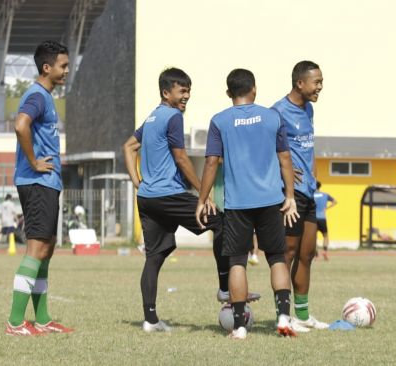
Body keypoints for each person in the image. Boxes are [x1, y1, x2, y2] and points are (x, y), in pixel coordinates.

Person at [122, 67, 259, 333]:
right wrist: (202, 194)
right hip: (167, 194)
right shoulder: (172, 116)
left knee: (155, 257)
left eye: (188, 91)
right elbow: (181, 158)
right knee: (221, 222)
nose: (186, 96)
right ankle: (223, 288)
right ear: (166, 92)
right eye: (181, 91)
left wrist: (137, 180)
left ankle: (150, 320)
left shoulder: (152, 117)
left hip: (148, 198)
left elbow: (128, 146)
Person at [196, 68, 300, 339]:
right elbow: (285, 159)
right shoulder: (272, 117)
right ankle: (284, 319)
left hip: (237, 203)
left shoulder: (219, 121)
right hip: (271, 200)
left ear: (229, 93)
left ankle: (240, 326)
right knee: (277, 257)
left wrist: (202, 198)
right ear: (254, 89)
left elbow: (210, 162)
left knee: (238, 262)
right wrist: (290, 196)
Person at [6, 40, 73, 336]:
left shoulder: (45, 96)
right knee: (36, 249)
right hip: (37, 182)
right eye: (63, 65)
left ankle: (42, 319)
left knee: (46, 249)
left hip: (47, 182)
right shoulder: (37, 95)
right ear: (47, 67)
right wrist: (33, 162)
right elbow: (21, 125)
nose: (67, 70)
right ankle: (15, 322)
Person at [272, 61, 329, 332]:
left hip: (309, 191)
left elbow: (310, 146)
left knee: (307, 253)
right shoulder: (277, 112)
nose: (320, 87)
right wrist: (280, 170)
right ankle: (283, 315)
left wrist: (314, 176)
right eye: (316, 82)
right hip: (289, 194)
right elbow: (263, 148)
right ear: (300, 83)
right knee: (288, 252)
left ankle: (303, 315)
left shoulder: (309, 109)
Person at [313, 181, 337, 260]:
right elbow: (335, 201)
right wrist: (326, 208)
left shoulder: (311, 195)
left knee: (314, 238)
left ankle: (316, 255)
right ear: (320, 186)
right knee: (325, 236)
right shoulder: (325, 195)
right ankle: (325, 251)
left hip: (313, 218)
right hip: (322, 218)